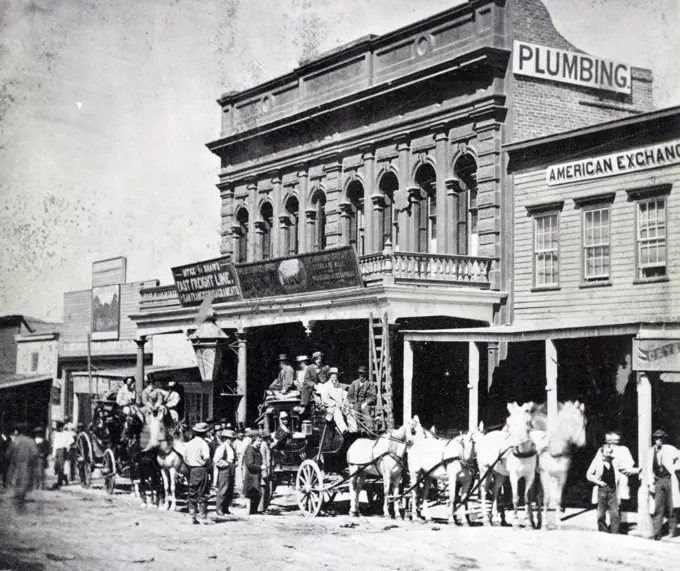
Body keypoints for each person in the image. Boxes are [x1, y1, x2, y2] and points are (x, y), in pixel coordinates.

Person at [586, 433, 638, 534]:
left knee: (615, 510)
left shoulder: (620, 453)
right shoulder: (598, 459)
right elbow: (589, 474)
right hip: (602, 488)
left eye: (615, 441)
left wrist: (638, 470)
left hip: (615, 486)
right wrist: (598, 482)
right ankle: (603, 531)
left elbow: (627, 467)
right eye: (609, 441)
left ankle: (615, 532)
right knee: (601, 513)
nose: (612, 446)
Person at [645, 429, 680, 540]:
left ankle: (672, 531)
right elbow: (648, 469)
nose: (659, 440)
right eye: (656, 438)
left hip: (669, 479)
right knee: (657, 507)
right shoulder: (650, 452)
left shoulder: (671, 449)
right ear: (654, 439)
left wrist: (674, 468)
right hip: (658, 481)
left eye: (661, 438)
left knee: (671, 506)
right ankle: (657, 533)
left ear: (664, 438)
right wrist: (650, 483)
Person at [5, 423, 39, 512]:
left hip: (15, 466)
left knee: (16, 482)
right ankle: (21, 499)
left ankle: (19, 500)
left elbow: (8, 454)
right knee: (25, 483)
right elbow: (35, 454)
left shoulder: (15, 441)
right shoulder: (30, 441)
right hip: (27, 465)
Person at [183, 422, 212, 524]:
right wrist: (208, 467)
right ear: (204, 433)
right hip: (201, 468)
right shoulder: (203, 443)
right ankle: (203, 517)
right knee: (202, 492)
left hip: (192, 469)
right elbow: (207, 457)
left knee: (192, 492)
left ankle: (192, 516)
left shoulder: (190, 443)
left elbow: (185, 458)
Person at [318, 367, 355, 434]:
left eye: (336, 377)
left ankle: (354, 430)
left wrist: (346, 403)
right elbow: (325, 399)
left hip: (341, 407)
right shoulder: (326, 386)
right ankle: (344, 430)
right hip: (329, 408)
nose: (335, 378)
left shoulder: (339, 387)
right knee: (336, 410)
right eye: (333, 377)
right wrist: (334, 403)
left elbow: (345, 396)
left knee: (350, 410)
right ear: (330, 377)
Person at [213, 429, 237, 516]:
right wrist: (225, 464)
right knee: (223, 489)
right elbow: (216, 459)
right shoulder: (222, 447)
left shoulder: (232, 447)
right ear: (225, 438)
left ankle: (226, 508)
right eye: (230, 439)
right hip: (224, 470)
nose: (232, 440)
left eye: (233, 439)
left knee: (230, 489)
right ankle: (219, 508)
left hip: (231, 468)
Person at [347, 366, 377, 432]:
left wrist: (366, 402)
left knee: (366, 410)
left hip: (365, 402)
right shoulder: (354, 383)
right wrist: (352, 402)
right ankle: (359, 428)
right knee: (355, 410)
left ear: (365, 374)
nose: (361, 376)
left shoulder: (370, 384)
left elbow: (373, 396)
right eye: (359, 374)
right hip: (356, 402)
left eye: (362, 374)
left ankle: (370, 428)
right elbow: (349, 396)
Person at [242, 428, 263, 514]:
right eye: (258, 441)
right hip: (251, 475)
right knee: (250, 493)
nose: (260, 443)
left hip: (256, 475)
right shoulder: (250, 449)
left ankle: (254, 510)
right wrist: (261, 467)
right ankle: (249, 511)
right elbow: (250, 465)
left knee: (257, 493)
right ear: (254, 440)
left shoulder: (256, 450)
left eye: (260, 441)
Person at [257, 430, 273, 512]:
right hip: (264, 469)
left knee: (266, 489)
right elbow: (263, 459)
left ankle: (264, 507)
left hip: (267, 469)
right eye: (268, 437)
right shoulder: (263, 446)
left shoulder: (266, 445)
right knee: (264, 489)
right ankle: (262, 508)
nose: (270, 438)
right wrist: (264, 471)